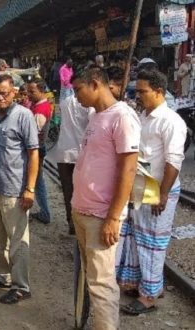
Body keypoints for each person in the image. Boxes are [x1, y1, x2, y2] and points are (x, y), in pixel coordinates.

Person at [71, 66, 141, 330]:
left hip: (101, 215)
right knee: (91, 278)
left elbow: (129, 169)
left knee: (101, 284)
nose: (75, 96)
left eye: (78, 89)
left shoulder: (122, 117)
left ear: (96, 83)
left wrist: (113, 217)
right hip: (83, 210)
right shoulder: (96, 116)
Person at [116, 69, 187, 315]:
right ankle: (143, 284)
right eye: (137, 91)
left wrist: (163, 194)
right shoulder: (145, 116)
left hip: (157, 189)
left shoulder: (170, 121)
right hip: (143, 186)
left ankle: (149, 296)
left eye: (142, 91)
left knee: (153, 243)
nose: (138, 96)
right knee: (138, 239)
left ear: (158, 91)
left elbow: (174, 161)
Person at [0, 74, 39, 305]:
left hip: (15, 190)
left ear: (14, 92)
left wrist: (30, 189)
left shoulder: (23, 116)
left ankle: (21, 286)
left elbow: (34, 153)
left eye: (5, 92)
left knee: (17, 242)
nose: (1, 97)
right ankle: (3, 276)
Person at [54, 91, 94, 235]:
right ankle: (78, 224)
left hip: (64, 151)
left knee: (68, 190)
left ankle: (71, 222)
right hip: (81, 152)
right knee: (81, 190)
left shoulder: (65, 102)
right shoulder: (89, 106)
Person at [27, 79, 52, 224]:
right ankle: (44, 212)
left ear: (41, 91)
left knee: (35, 180)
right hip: (37, 149)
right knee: (37, 180)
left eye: (32, 92)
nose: (29, 95)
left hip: (36, 150)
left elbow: (34, 135)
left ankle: (44, 212)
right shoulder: (39, 106)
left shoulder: (40, 110)